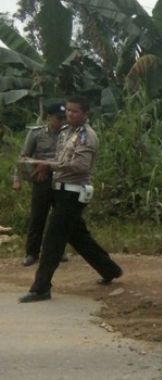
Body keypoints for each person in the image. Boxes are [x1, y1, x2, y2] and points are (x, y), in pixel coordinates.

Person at [19, 96, 123, 303]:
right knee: (77, 236)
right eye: (68, 111)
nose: (69, 114)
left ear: (85, 114)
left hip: (74, 192)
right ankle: (110, 269)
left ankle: (41, 287)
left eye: (75, 111)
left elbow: (81, 166)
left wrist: (49, 165)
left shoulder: (87, 136)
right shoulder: (66, 132)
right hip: (61, 190)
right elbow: (60, 158)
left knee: (52, 239)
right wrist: (44, 163)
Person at [13, 103, 69, 266]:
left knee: (59, 217)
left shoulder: (67, 134)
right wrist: (17, 178)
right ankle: (32, 253)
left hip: (61, 177)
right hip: (41, 179)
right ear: (49, 118)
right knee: (38, 216)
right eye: (59, 118)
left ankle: (57, 251)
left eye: (64, 118)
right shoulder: (36, 134)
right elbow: (23, 157)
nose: (62, 121)